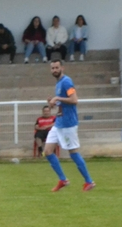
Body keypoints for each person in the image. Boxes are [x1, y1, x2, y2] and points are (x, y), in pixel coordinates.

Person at [45, 59, 95, 191]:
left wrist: (58, 99)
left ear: (62, 68)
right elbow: (62, 103)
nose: (55, 70)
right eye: (52, 68)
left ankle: (89, 181)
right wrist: (53, 103)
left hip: (68, 124)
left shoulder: (66, 81)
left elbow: (74, 100)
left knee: (73, 153)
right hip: (59, 123)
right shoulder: (59, 83)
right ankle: (63, 179)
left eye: (57, 67)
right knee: (48, 151)